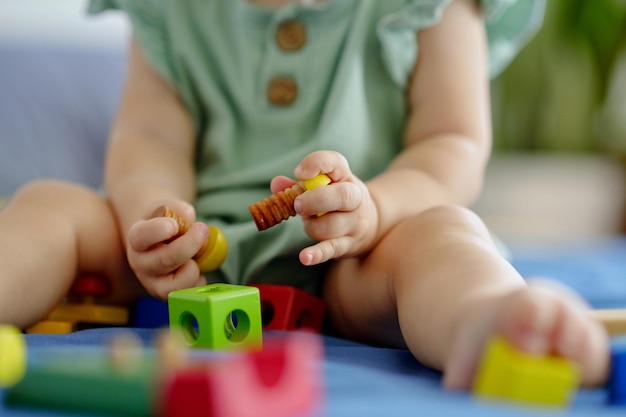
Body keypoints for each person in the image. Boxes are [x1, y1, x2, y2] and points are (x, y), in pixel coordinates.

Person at [0, 0, 609, 389]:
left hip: (362, 252)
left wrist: (375, 211)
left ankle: (489, 319)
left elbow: (451, 145)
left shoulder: (434, 9)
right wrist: (154, 214)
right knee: (53, 206)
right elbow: (148, 135)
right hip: (195, 250)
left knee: (443, 235)